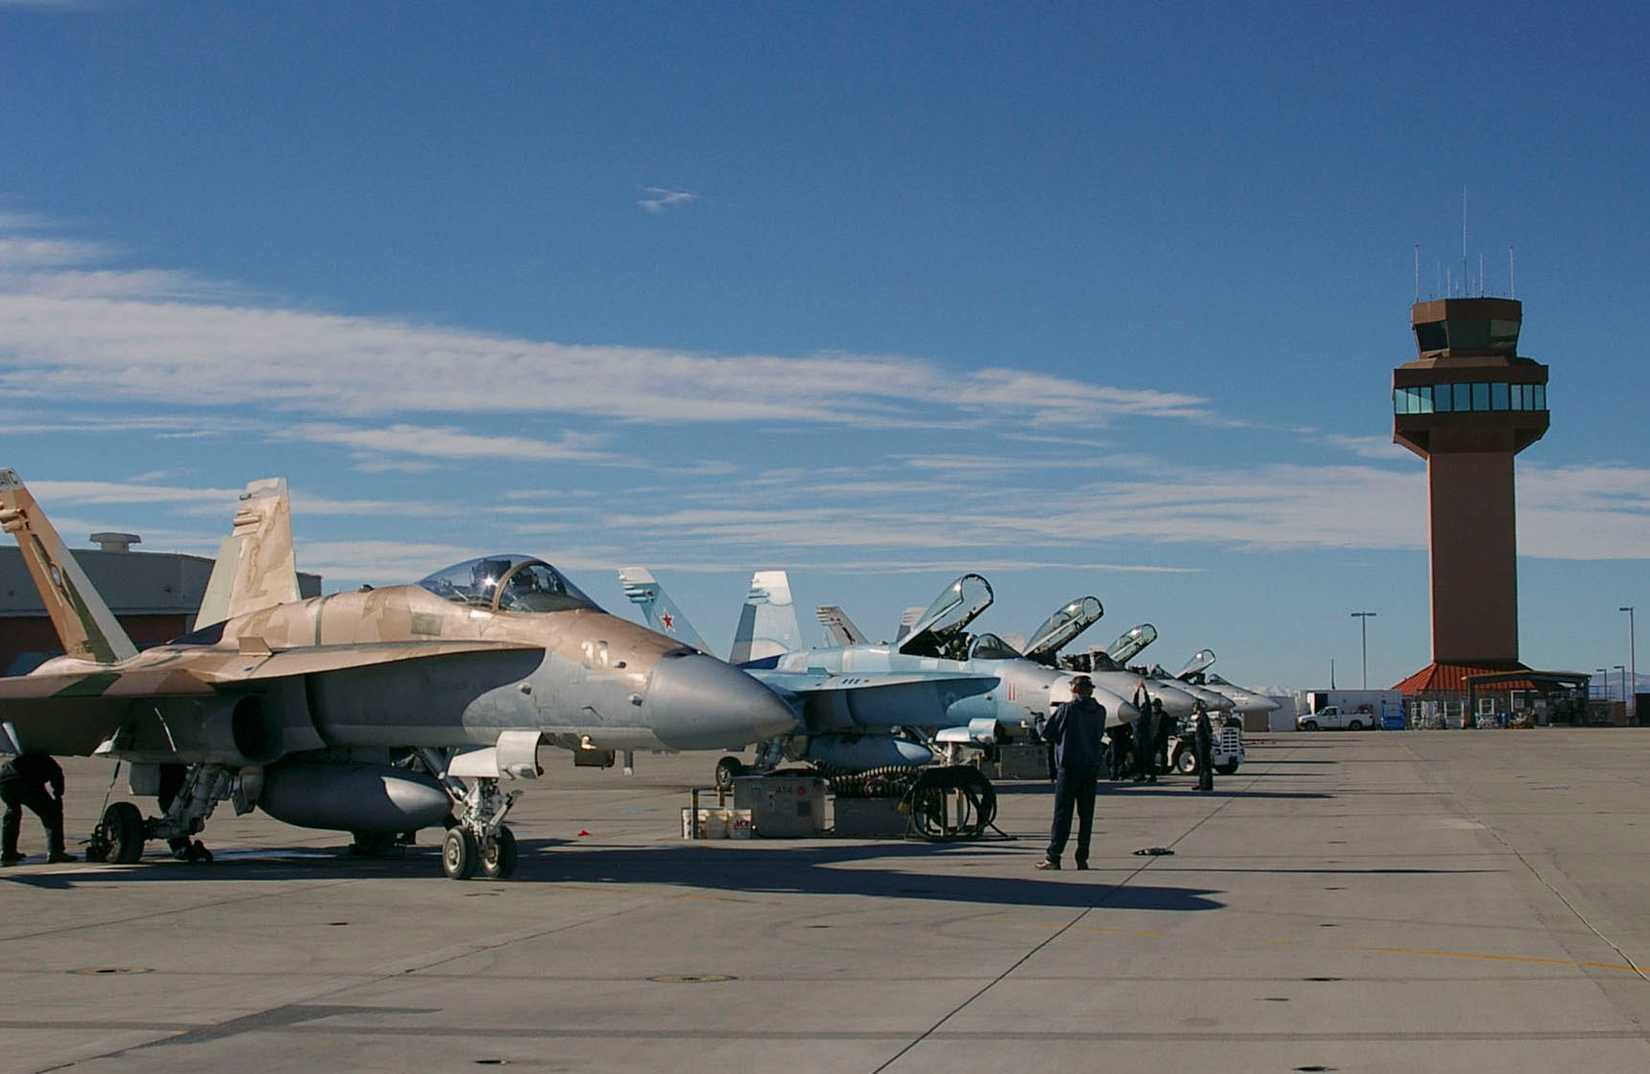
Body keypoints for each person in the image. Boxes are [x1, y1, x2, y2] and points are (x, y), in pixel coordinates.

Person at [1037, 675, 1106, 871]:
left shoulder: (1067, 709)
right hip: (1091, 767)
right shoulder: (1100, 711)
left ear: (1074, 690)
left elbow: (1047, 734)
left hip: (1068, 768)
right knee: (1086, 816)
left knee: (1062, 814)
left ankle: (1053, 857)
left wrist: (1038, 721)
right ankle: (1082, 858)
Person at [1, 752, 75, 865]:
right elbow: (57, 777)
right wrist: (58, 796)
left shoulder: (22, 757)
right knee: (51, 815)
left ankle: (7, 851)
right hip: (26, 781)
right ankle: (56, 851)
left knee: (12, 814)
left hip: (4, 780)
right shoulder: (48, 761)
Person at [1193, 703, 1215, 792]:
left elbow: (1208, 729)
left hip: (1203, 743)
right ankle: (1202, 783)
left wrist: (1207, 740)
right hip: (1200, 743)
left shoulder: (1203, 716)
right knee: (1201, 765)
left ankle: (1206, 785)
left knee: (1205, 765)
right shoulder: (1200, 716)